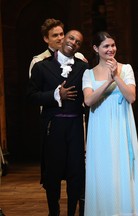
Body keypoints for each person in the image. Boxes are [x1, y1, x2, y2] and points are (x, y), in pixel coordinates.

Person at [82, 31, 138, 216]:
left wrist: (116, 77)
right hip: (100, 127)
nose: (111, 49)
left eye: (113, 45)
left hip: (121, 124)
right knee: (102, 169)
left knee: (122, 167)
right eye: (106, 46)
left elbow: (131, 97)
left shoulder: (125, 69)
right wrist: (107, 82)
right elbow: (88, 101)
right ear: (96, 49)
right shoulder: (89, 73)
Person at [28, 18, 86, 215]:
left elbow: (88, 95)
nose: (69, 41)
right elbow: (31, 96)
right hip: (53, 125)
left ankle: (72, 212)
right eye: (68, 37)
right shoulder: (41, 66)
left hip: (76, 126)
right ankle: (54, 212)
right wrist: (55, 95)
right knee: (53, 173)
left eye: (77, 41)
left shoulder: (83, 67)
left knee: (75, 172)